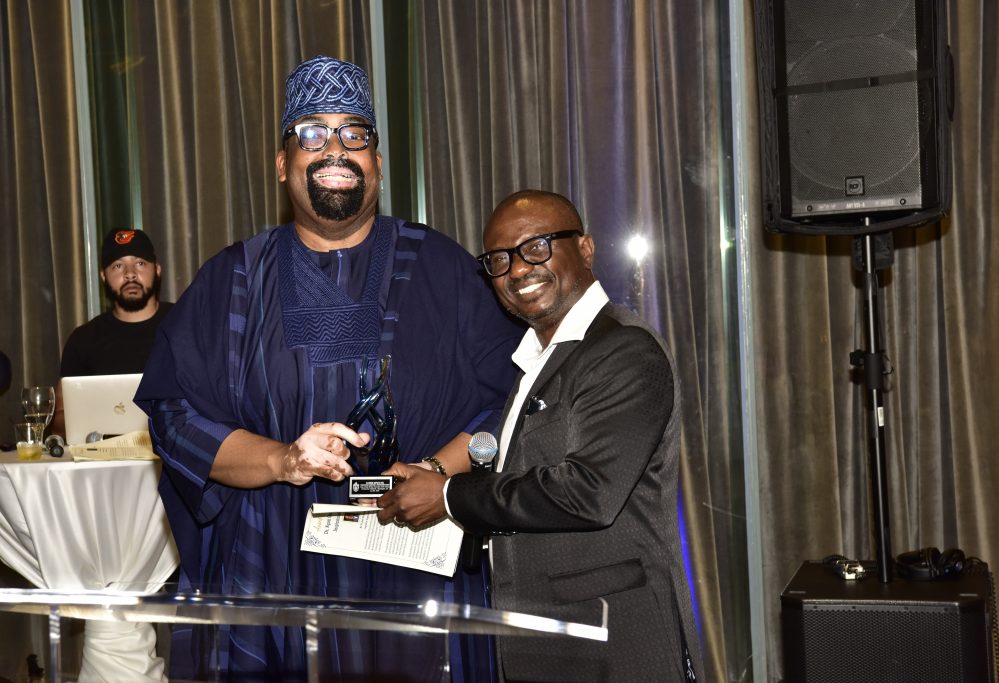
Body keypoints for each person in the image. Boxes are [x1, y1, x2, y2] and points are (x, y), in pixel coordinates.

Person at [135, 55, 521, 682]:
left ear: (377, 163)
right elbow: (174, 418)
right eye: (312, 131)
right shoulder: (230, 280)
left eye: (354, 133)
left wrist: (437, 473)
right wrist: (281, 460)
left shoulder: (445, 271)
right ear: (281, 163)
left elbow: (510, 403)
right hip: (273, 568)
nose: (335, 147)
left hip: (414, 561)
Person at [377, 190, 705, 682]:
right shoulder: (536, 359)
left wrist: (448, 495)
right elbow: (525, 471)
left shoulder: (622, 350)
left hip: (614, 644)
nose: (517, 270)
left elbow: (587, 493)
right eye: (499, 260)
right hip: (540, 640)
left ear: (586, 249)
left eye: (536, 247)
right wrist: (435, 473)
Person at [52, 227, 172, 436]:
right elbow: (60, 414)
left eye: (140, 263)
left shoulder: (185, 324)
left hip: (175, 460)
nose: (130, 274)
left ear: (158, 269)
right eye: (118, 266)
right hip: (103, 463)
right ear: (103, 276)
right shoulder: (83, 340)